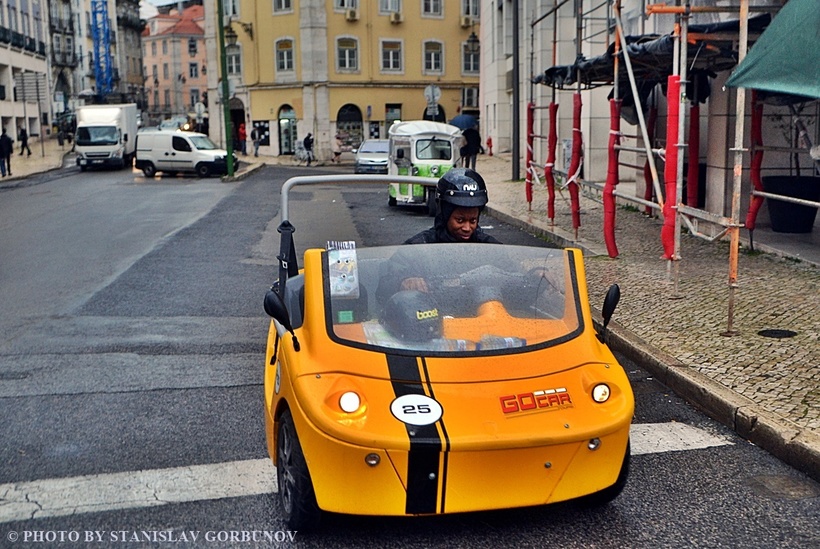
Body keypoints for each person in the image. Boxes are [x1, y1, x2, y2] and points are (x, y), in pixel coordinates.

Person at [405, 167, 501, 244]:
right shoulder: (417, 248)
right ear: (444, 215)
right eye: (460, 220)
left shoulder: (490, 247)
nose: (467, 228)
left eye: (473, 221)